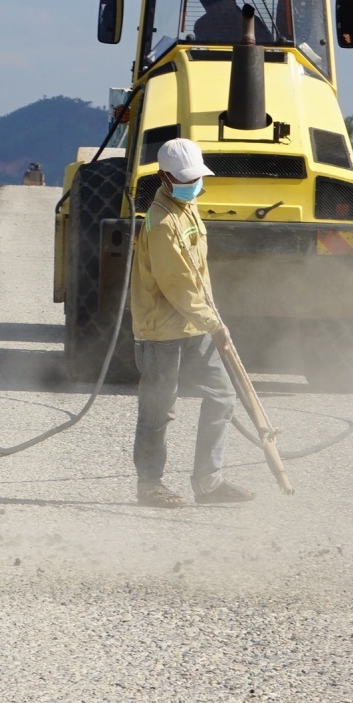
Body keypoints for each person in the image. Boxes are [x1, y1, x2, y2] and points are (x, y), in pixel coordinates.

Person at [129, 136, 254, 508]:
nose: (191, 185)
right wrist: (214, 323)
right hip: (162, 331)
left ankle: (209, 482)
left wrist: (210, 317)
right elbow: (178, 285)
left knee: (222, 394)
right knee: (158, 409)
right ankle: (150, 485)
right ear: (164, 178)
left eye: (194, 178)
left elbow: (199, 274)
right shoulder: (162, 221)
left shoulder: (188, 209)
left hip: (194, 326)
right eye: (183, 180)